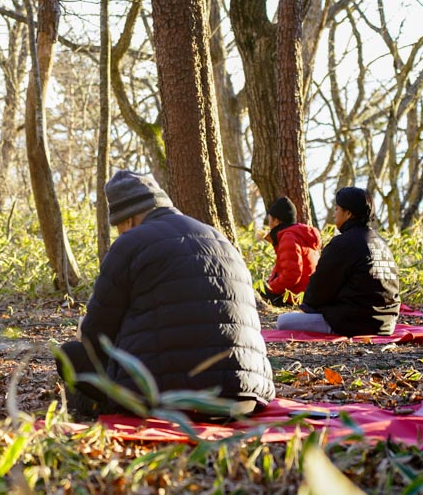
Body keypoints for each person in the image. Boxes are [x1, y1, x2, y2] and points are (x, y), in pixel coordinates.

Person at [57, 170, 275, 421]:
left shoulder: (130, 243)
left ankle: (94, 413)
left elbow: (97, 336)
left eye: (118, 226)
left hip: (165, 401)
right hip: (244, 397)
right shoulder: (219, 239)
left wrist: (83, 330)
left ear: (127, 220)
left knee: (70, 354)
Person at [276, 187, 399, 336]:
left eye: (336, 209)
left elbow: (318, 290)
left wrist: (310, 306)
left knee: (283, 321)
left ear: (348, 213)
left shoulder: (343, 243)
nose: (334, 214)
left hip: (354, 324)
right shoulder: (381, 242)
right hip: (387, 324)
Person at [258, 196, 322, 306]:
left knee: (256, 293)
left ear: (277, 221)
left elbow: (291, 276)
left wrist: (269, 288)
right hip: (308, 293)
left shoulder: (289, 237)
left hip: (295, 297)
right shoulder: (300, 234)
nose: (269, 225)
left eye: (270, 220)